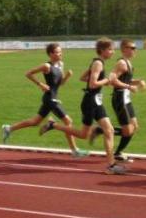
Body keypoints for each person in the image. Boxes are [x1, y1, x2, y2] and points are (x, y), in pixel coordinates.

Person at [40, 38, 123, 174]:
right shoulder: (98, 63)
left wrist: (103, 80)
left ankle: (111, 165)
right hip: (90, 102)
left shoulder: (98, 63)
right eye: (110, 49)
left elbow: (83, 78)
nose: (113, 52)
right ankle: (53, 125)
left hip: (97, 101)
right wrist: (108, 80)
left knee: (109, 130)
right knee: (84, 135)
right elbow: (92, 84)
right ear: (102, 50)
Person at [0, 43, 87, 157]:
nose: (61, 54)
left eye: (61, 51)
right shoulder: (46, 66)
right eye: (58, 52)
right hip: (50, 99)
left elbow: (60, 84)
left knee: (35, 122)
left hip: (52, 98)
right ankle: (74, 150)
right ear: (51, 54)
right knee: (68, 122)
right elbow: (28, 74)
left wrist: (67, 76)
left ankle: (9, 128)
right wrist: (40, 84)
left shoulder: (60, 64)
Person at [106, 39, 146, 162]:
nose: (135, 50)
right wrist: (129, 87)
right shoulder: (122, 63)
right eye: (132, 48)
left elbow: (125, 80)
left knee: (134, 127)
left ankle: (118, 153)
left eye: (135, 48)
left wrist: (138, 81)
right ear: (124, 49)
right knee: (128, 130)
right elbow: (112, 80)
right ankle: (102, 130)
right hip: (120, 99)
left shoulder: (128, 63)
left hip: (126, 99)